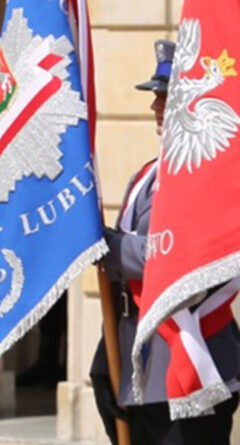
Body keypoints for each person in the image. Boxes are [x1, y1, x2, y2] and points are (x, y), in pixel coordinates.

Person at [90, 39, 240, 445]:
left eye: (165, 96)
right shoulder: (147, 174)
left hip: (187, 355)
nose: (155, 105)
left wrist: (103, 244)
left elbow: (180, 254)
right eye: (155, 96)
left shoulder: (212, 179)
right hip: (136, 353)